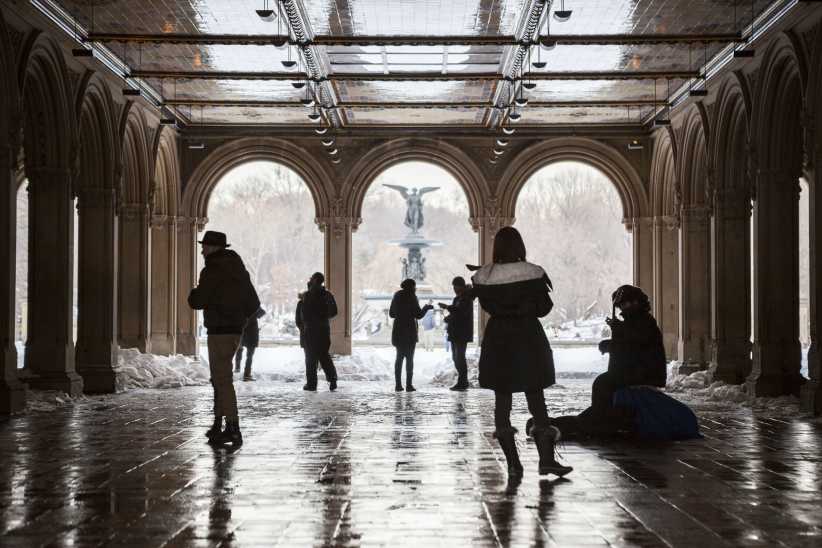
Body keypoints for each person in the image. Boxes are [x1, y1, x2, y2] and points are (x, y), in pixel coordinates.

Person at [470, 226, 572, 478]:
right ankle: (546, 460)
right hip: (527, 337)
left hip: (499, 339)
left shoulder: (484, 277)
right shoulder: (533, 273)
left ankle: (514, 464)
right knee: (536, 398)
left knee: (502, 401)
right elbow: (544, 308)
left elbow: (485, 304)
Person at [552, 285, 700, 441]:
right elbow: (629, 341)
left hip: (639, 376)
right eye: (622, 305)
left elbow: (634, 344)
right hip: (631, 374)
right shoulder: (634, 322)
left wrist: (612, 342)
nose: (625, 308)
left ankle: (568, 425)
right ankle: (568, 424)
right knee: (601, 392)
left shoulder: (644, 322)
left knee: (603, 389)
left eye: (628, 303)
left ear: (638, 303)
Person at [188, 230, 259, 448]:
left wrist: (193, 293)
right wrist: (240, 321)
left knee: (222, 381)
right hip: (234, 332)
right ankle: (218, 423)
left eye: (205, 246)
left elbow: (198, 301)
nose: (202, 250)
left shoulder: (212, 270)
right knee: (221, 378)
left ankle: (233, 428)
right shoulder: (239, 270)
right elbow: (254, 304)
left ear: (213, 248)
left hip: (219, 331)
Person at [389, 279, 434, 392]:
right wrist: (426, 307)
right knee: (409, 359)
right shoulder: (412, 296)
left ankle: (398, 385)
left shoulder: (397, 295)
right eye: (414, 287)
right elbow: (418, 315)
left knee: (399, 358)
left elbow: (391, 314)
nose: (415, 289)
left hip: (398, 331)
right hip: (409, 332)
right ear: (412, 287)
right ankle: (409, 385)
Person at [301, 272, 339, 392]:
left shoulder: (307, 295)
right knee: (324, 355)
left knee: (310, 358)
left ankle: (311, 384)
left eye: (311, 278)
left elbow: (305, 314)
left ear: (315, 280)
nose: (309, 279)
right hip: (324, 329)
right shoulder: (328, 295)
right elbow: (334, 311)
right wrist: (324, 317)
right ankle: (332, 379)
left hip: (311, 330)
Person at [438, 276, 473, 391]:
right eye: (453, 287)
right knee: (455, 357)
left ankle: (463, 382)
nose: (454, 289)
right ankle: (463, 380)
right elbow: (456, 314)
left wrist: (447, 307)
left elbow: (461, 312)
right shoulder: (457, 299)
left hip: (461, 333)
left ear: (462, 286)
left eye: (456, 286)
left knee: (460, 357)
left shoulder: (466, 298)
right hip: (455, 332)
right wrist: (448, 318)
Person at [235, 306, 265, 381]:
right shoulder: (253, 305)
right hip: (252, 333)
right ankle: (247, 374)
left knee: (239, 350)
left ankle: (237, 369)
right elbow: (262, 313)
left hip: (241, 331)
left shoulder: (239, 305)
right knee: (250, 355)